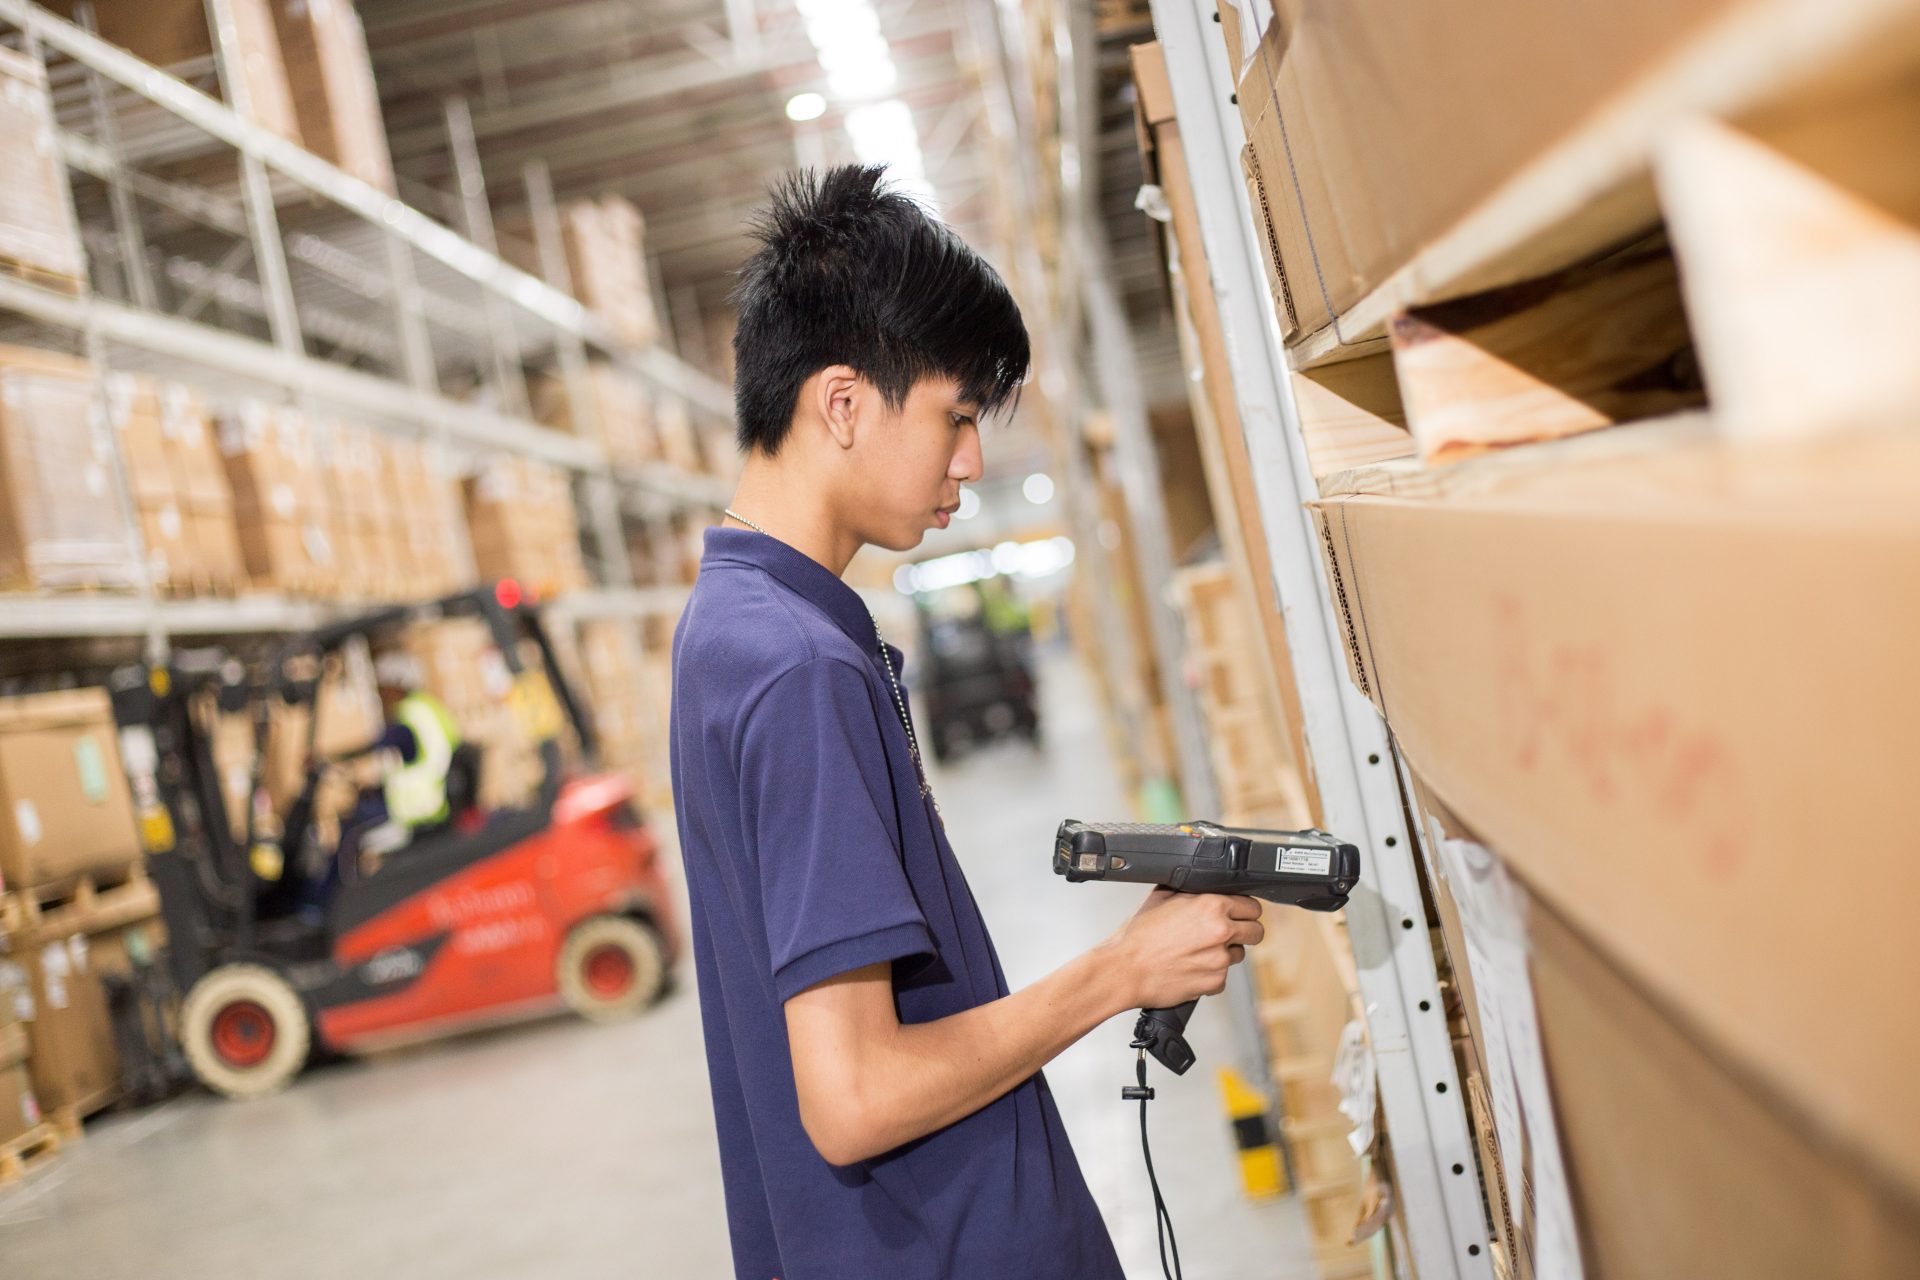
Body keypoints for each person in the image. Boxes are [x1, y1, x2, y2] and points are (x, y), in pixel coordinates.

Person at [669, 164, 1266, 1280]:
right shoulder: (796, 666)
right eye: (954, 414)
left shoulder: (747, 624)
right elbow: (853, 1096)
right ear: (842, 402)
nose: (972, 459)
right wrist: (1123, 969)